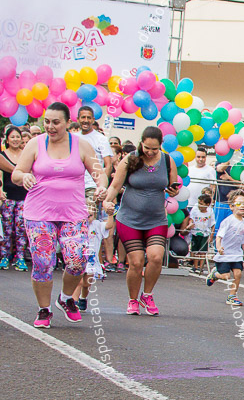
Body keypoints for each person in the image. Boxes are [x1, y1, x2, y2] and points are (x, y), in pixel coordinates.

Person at [11, 102, 107, 328]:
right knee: (43, 261)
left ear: (67, 123)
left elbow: (100, 174)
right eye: (47, 122)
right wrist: (23, 177)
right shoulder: (35, 144)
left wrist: (102, 187)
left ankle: (65, 298)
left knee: (77, 260)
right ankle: (44, 310)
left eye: (56, 122)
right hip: (38, 212)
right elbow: (17, 172)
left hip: (73, 213)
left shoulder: (82, 146)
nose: (50, 127)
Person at [103, 126, 179, 316]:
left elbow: (173, 186)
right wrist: (107, 202)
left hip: (156, 219)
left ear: (161, 145)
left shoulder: (167, 161)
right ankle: (133, 299)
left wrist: (174, 191)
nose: (150, 152)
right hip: (130, 219)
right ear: (141, 143)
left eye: (155, 149)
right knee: (136, 263)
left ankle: (147, 294)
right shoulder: (131, 159)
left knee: (155, 257)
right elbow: (115, 186)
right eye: (147, 147)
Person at [207, 190, 244, 306]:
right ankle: (215, 274)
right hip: (225, 254)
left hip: (236, 254)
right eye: (239, 204)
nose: (242, 206)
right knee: (226, 276)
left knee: (238, 274)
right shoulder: (227, 221)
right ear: (231, 206)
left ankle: (232, 296)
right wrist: (219, 247)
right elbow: (219, 236)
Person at [72, 201, 114, 310]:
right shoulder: (77, 224)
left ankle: (83, 298)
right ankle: (74, 301)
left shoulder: (97, 225)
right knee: (79, 281)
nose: (87, 218)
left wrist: (110, 214)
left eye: (90, 215)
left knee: (86, 283)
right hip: (79, 258)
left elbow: (109, 225)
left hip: (91, 260)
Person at [1, 125, 30, 270]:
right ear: (7, 139)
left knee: (20, 229)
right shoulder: (2, 155)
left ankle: (20, 257)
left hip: (24, 197)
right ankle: (4, 256)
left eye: (18, 137)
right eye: (12, 137)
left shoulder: (26, 154)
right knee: (7, 229)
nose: (15, 139)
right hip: (8, 197)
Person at [73, 106, 113, 208]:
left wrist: (102, 187)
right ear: (78, 119)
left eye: (89, 118)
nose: (86, 121)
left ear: (93, 120)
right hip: (75, 186)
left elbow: (108, 165)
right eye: (83, 117)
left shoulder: (101, 139)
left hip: (92, 187)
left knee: (90, 219)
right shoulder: (73, 138)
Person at [184, 193, 216, 273]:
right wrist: (190, 224)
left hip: (205, 233)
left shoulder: (210, 212)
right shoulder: (195, 209)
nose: (199, 205)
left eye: (201, 204)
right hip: (195, 232)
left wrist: (211, 236)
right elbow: (191, 218)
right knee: (195, 250)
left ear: (207, 204)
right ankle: (195, 266)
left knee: (203, 251)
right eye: (199, 203)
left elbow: (212, 224)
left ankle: (201, 267)